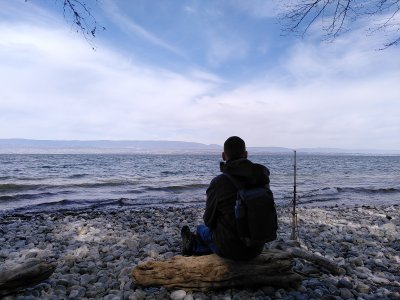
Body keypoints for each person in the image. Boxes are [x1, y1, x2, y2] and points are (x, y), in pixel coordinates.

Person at [181, 136, 272, 260]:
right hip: (257, 246)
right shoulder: (261, 179)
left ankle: (193, 246)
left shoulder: (218, 182)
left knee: (201, 228)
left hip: (230, 250)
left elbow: (208, 220)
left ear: (223, 156)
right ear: (246, 154)